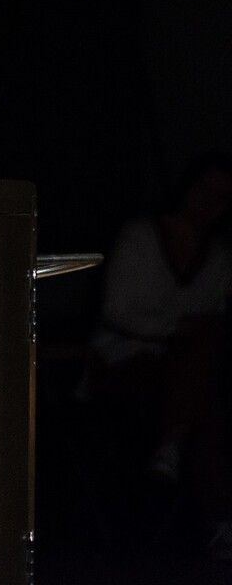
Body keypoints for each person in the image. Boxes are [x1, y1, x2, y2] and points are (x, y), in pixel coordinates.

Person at [82, 152, 232, 555]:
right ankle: (213, 517)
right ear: (187, 188)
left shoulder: (218, 259)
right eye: (204, 190)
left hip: (184, 368)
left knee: (207, 404)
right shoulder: (141, 238)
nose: (208, 203)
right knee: (201, 392)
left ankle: (177, 462)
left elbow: (214, 321)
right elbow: (117, 311)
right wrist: (177, 330)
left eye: (221, 198)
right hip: (123, 360)